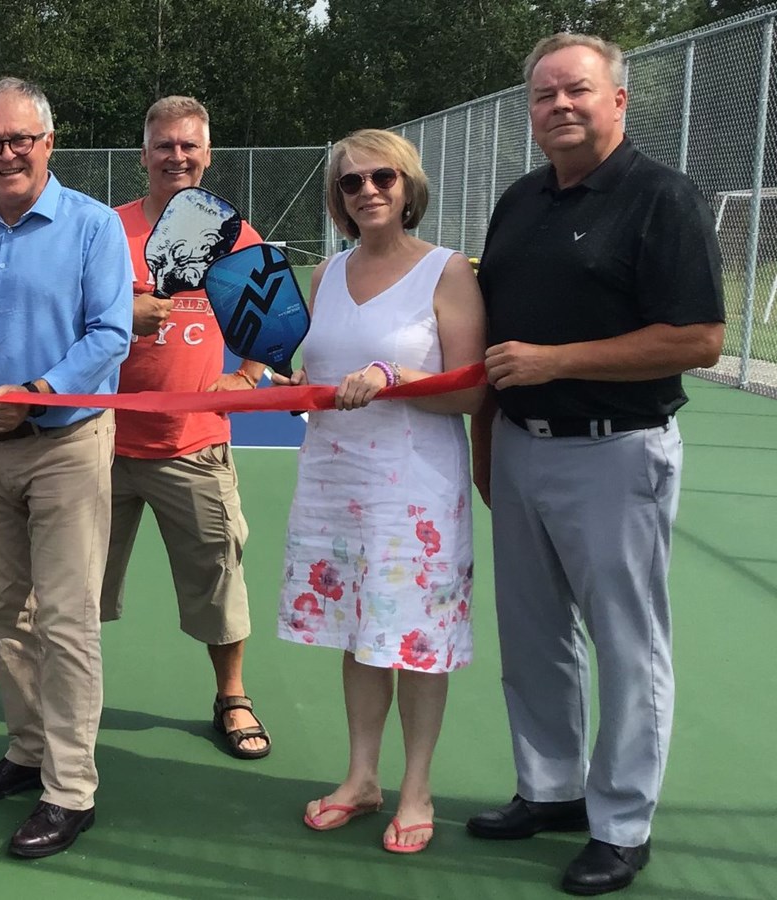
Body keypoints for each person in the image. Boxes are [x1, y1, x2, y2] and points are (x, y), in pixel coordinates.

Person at [466, 34, 724, 895]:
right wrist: (486, 441)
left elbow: (697, 338)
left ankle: (621, 824)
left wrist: (556, 362)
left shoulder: (661, 198)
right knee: (534, 639)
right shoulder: (520, 200)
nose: (560, 107)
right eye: (544, 96)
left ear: (618, 99)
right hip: (521, 450)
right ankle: (550, 791)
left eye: (577, 91)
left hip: (616, 450)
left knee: (626, 644)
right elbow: (496, 334)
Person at [0, 77, 132, 858]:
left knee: (68, 619)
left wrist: (38, 394)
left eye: (20, 139)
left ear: (48, 142)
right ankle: (28, 749)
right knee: (7, 609)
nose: (6, 153)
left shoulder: (93, 226)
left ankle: (71, 790)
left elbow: (110, 334)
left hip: (67, 444)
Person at [273, 128, 485, 855]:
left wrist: (395, 382)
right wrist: (268, 383)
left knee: (415, 642)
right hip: (337, 478)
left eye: (381, 178)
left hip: (416, 492)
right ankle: (361, 778)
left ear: (407, 186)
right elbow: (319, 376)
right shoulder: (326, 274)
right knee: (361, 635)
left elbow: (470, 391)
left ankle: (415, 787)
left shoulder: (447, 272)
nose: (366, 191)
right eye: (350, 183)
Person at [101, 95, 271, 761]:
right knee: (74, 585)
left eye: (188, 146)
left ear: (207, 156)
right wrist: (126, 310)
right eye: (163, 145)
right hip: (101, 444)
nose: (176, 156)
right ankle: (66, 700)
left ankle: (232, 695)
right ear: (143, 156)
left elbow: (270, 318)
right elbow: (72, 317)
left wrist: (250, 374)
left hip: (194, 446)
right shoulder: (105, 232)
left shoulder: (234, 234)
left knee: (219, 579)